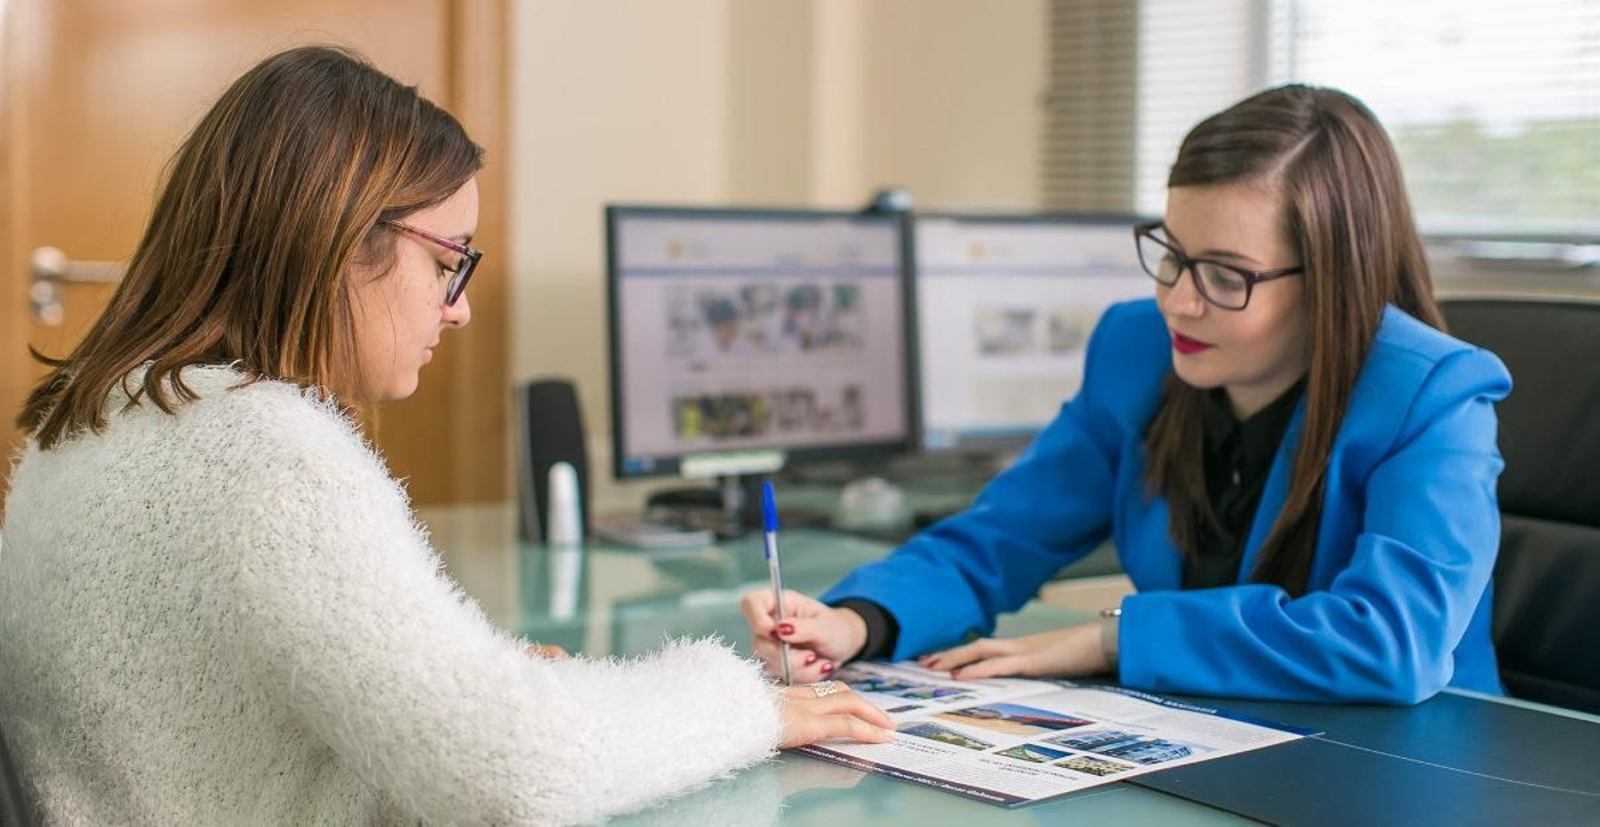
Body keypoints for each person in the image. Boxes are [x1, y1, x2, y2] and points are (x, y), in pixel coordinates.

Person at [0, 45, 890, 826]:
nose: (458, 308)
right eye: (447, 260)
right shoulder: (268, 457)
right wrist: (750, 708)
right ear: (344, 238)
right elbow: (508, 766)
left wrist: (489, 686)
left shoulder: (99, 410)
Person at [743, 84, 1512, 705]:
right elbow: (1001, 535)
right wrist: (856, 619)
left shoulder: (1434, 397)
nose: (1178, 300)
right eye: (1172, 255)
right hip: (1208, 737)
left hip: (1404, 767)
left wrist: (1114, 637)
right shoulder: (1135, 349)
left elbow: (1392, 643)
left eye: (1225, 274)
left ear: (1333, 281)